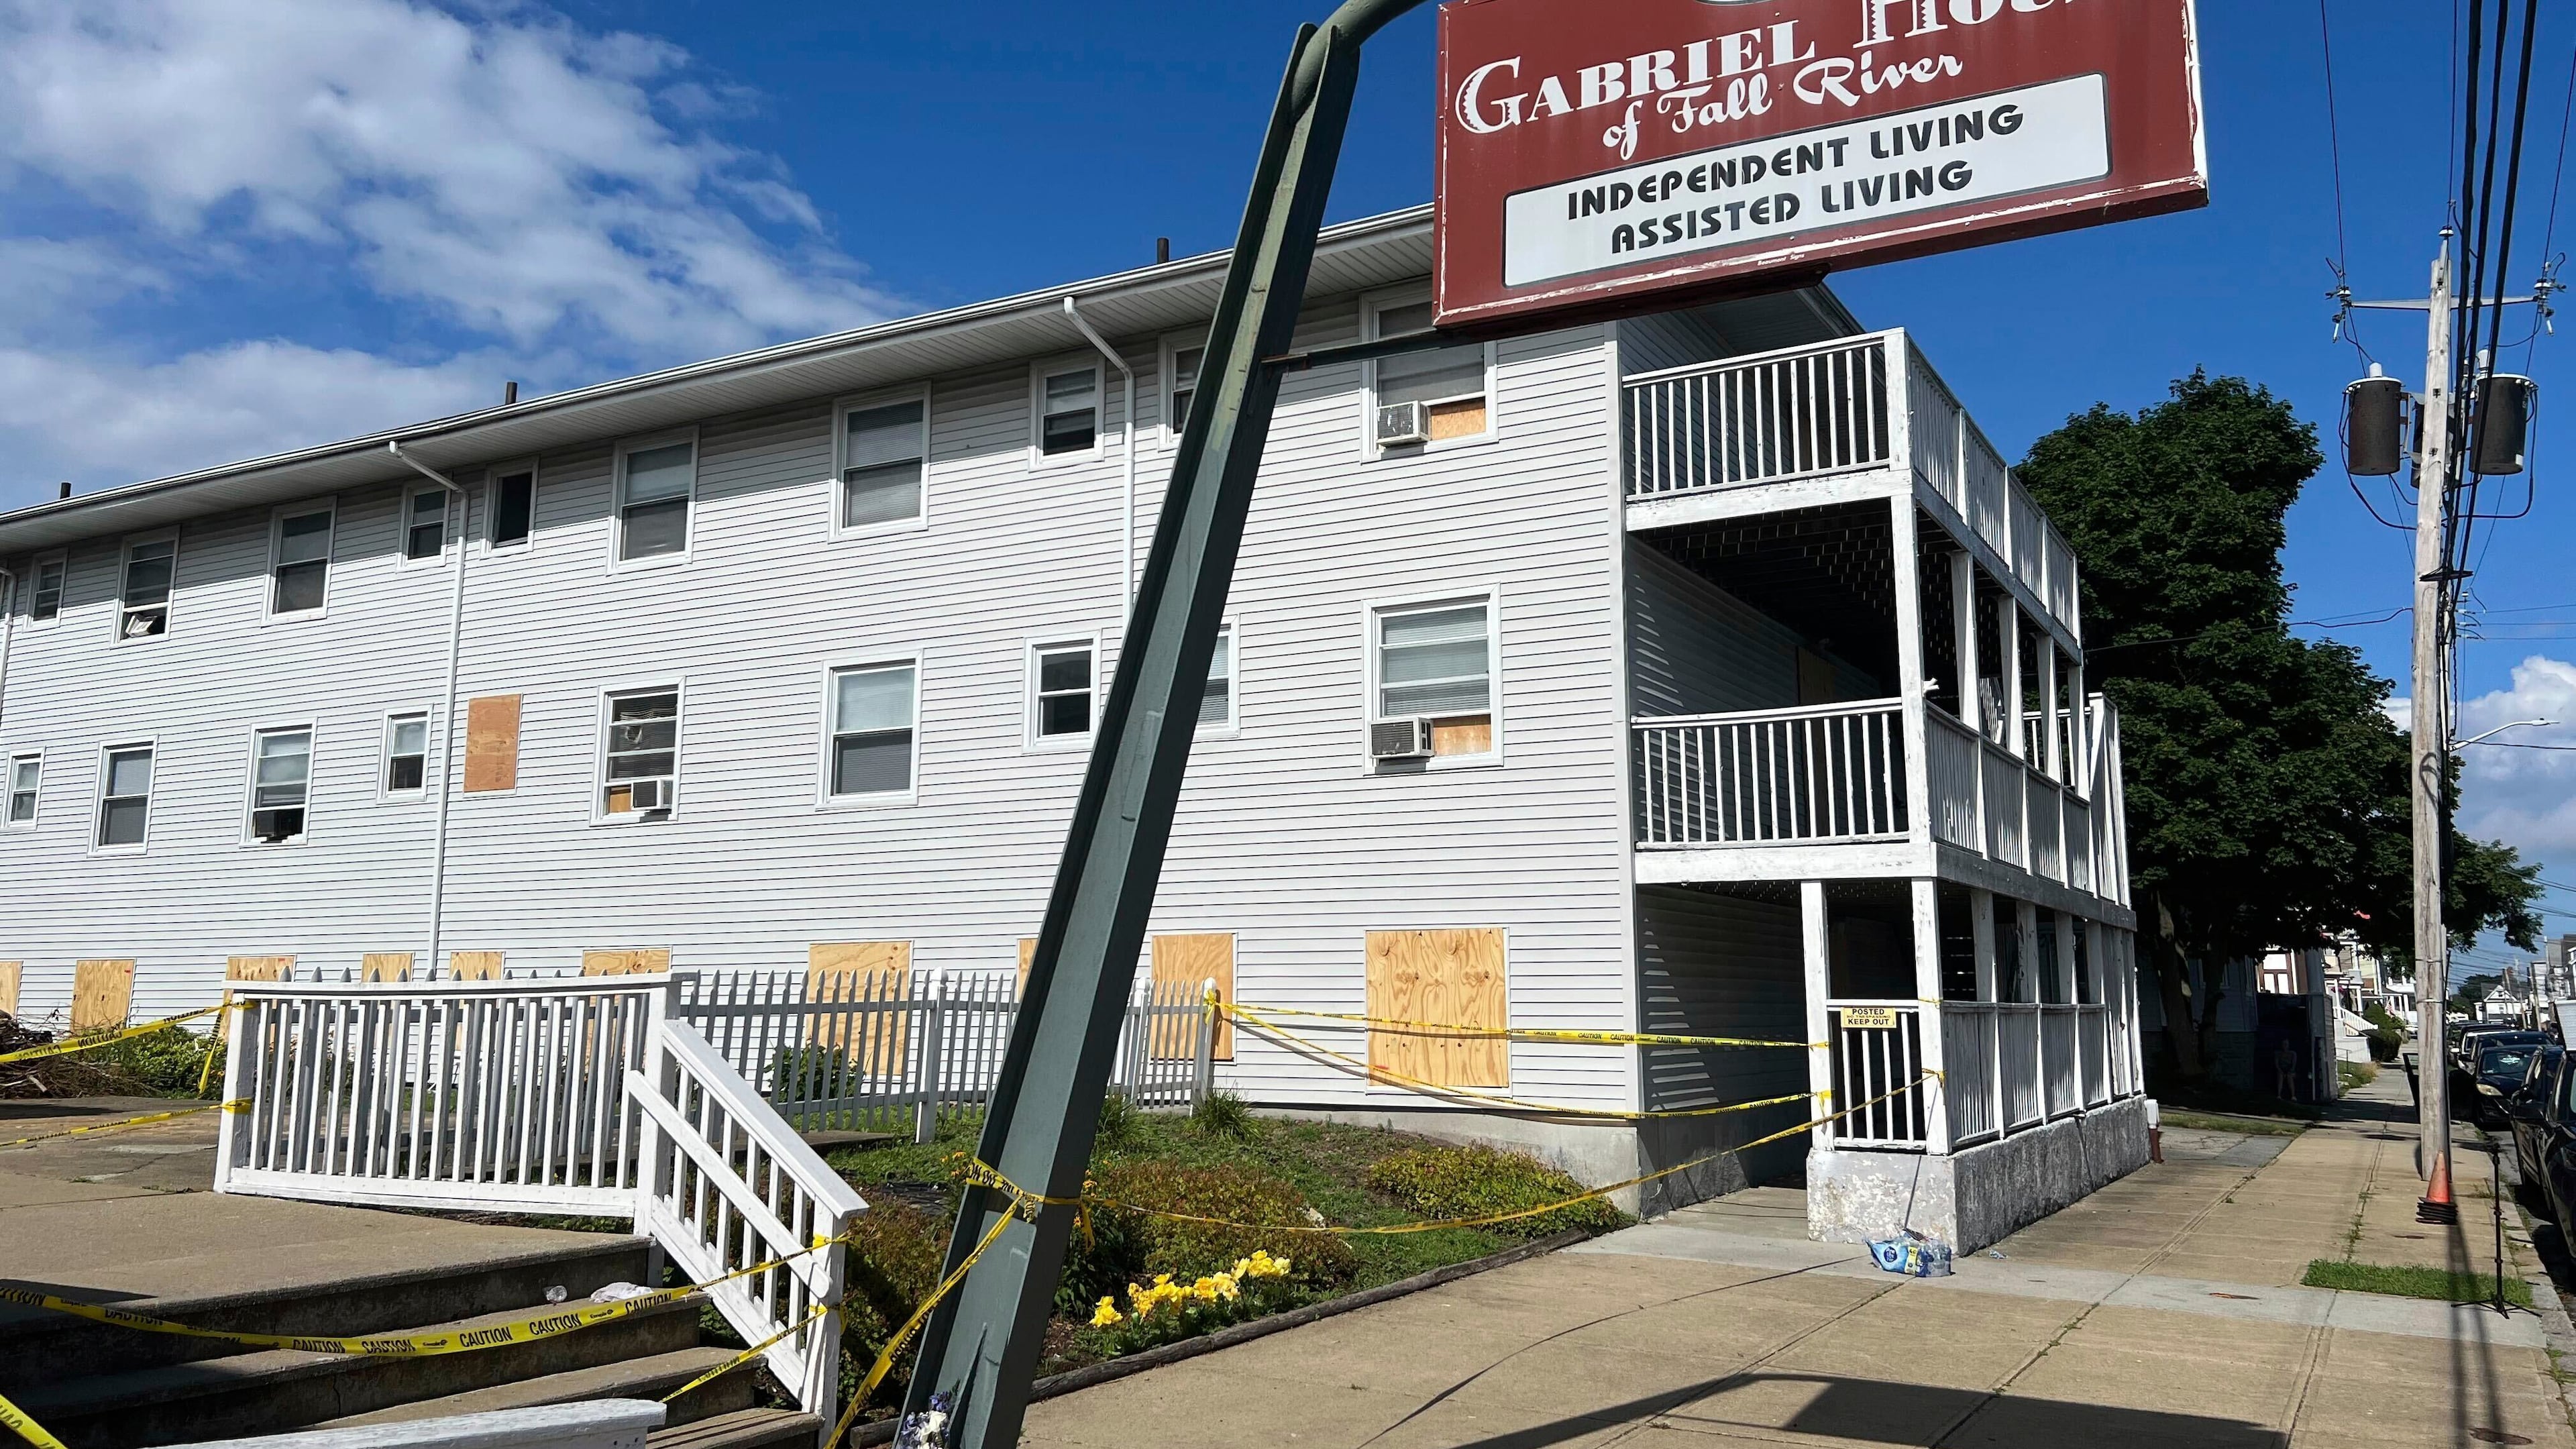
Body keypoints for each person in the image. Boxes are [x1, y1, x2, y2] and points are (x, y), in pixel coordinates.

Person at [2273, 1036, 2300, 1102]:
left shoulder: (2293, 1053)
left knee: (2290, 1077)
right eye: (2283, 1044)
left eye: (2286, 1044)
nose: (2285, 1046)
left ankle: (2293, 1096)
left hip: (2290, 1070)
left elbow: (2294, 1064)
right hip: (2281, 1069)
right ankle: (2279, 1095)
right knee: (2280, 1076)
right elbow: (2276, 1064)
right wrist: (2281, 1071)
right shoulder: (2278, 1053)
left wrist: (2290, 1071)